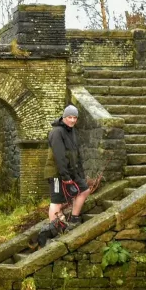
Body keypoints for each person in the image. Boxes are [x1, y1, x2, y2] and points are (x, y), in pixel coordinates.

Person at [37, 105, 91, 247]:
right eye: (69, 117)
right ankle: (56, 230)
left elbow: (75, 155)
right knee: (56, 202)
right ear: (64, 117)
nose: (72, 120)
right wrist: (66, 177)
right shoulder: (57, 132)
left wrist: (80, 174)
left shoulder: (72, 132)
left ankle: (74, 219)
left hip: (71, 172)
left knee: (84, 190)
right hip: (56, 173)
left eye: (75, 118)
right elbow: (59, 157)